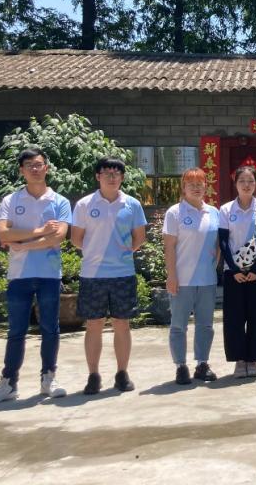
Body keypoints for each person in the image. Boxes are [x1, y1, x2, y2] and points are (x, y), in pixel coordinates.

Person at [0, 147, 72, 406]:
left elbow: (58, 237)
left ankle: (48, 378)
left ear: (47, 168)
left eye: (39, 164)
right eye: (29, 165)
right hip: (19, 275)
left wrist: (23, 243)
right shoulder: (11, 200)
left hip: (49, 275)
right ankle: (8, 383)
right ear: (22, 170)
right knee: (16, 331)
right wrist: (40, 231)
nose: (35, 168)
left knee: (50, 328)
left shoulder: (60, 201)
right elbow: (3, 234)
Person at [70, 157, 147, 395]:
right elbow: (76, 239)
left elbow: (139, 237)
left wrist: (121, 252)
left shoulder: (132, 204)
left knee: (122, 324)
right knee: (94, 325)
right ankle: (93, 375)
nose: (112, 177)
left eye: (116, 173)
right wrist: (97, 252)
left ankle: (122, 373)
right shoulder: (84, 204)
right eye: (107, 173)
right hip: (92, 275)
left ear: (122, 177)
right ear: (98, 176)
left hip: (123, 273)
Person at [163, 167, 221, 385]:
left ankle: (202, 364)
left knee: (205, 325)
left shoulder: (214, 213)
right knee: (179, 325)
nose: (196, 188)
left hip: (206, 280)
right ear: (183, 187)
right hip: (182, 280)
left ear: (206, 186)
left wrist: (213, 265)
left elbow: (218, 245)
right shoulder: (175, 213)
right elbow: (169, 247)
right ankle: (180, 366)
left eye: (200, 184)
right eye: (191, 184)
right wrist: (171, 276)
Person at [218, 165, 256, 379]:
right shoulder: (226, 210)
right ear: (235, 184)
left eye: (250, 181)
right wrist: (234, 269)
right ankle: (239, 361)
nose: (246, 185)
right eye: (242, 181)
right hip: (232, 272)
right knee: (234, 317)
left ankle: (253, 360)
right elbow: (223, 242)